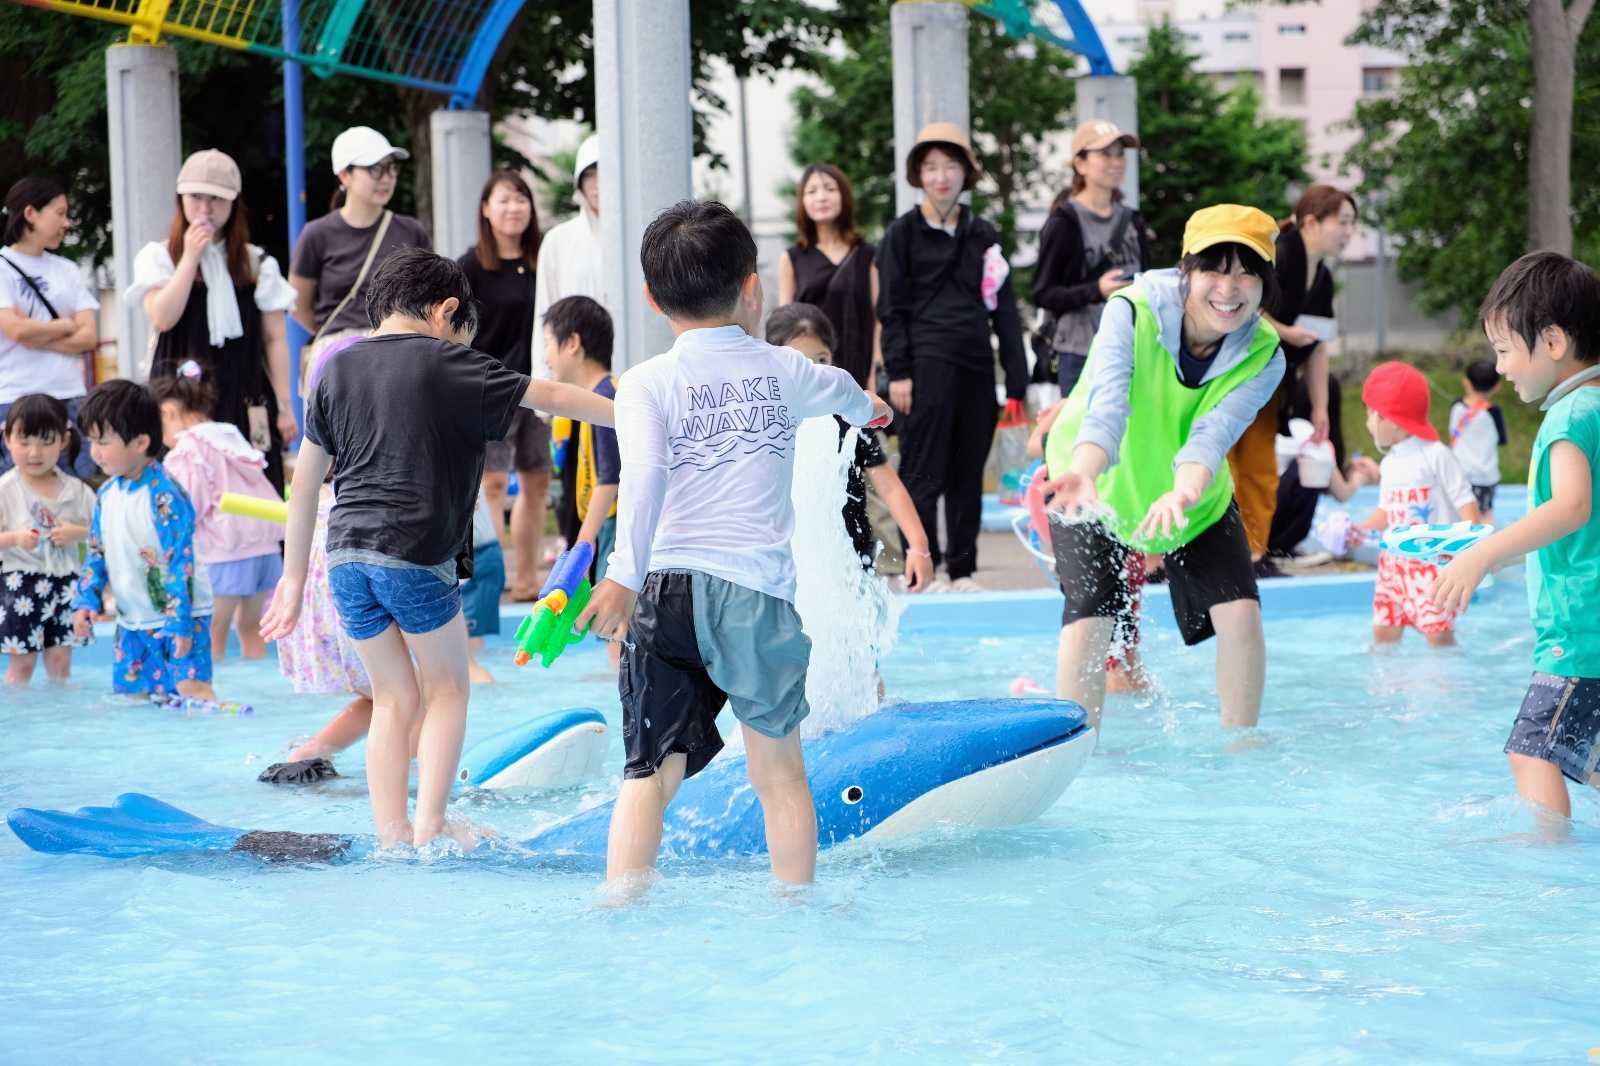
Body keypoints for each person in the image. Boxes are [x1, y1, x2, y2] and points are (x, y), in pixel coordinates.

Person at [575, 200, 892, 892]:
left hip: (668, 590)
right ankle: (794, 906)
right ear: (753, 286)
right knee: (780, 776)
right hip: (754, 596)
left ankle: (620, 904)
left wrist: (623, 576)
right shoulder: (785, 370)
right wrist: (872, 410)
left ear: (654, 299)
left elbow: (645, 477)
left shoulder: (645, 384)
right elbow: (842, 388)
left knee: (647, 774)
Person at [259, 248, 615, 850]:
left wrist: (293, 579)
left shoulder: (336, 368)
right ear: (447, 310)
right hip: (413, 550)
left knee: (393, 698)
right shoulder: (449, 361)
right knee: (448, 688)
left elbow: (304, 482)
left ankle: (391, 835)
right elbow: (551, 397)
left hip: (343, 556)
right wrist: (636, 412)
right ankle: (431, 824)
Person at [1043, 205, 1286, 731]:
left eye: (1248, 272)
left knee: (1241, 613)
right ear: (1186, 271)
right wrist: (1085, 472)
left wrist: (1183, 493)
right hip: (1090, 479)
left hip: (1189, 492)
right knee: (1091, 618)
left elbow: (1211, 436)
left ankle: (1242, 751)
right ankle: (1077, 758)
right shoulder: (1132, 310)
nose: (1230, 287)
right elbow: (1108, 407)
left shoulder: (1265, 354)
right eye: (1215, 269)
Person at [1432, 251, 1600, 821]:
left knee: (1533, 754)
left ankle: (1546, 871)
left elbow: (1571, 506)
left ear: (1552, 341)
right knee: (1588, 757)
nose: (1500, 368)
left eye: (1505, 350)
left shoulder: (1570, 415)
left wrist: (1483, 553)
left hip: (1578, 629)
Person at [877, 122, 1028, 592]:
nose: (942, 177)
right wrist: (898, 371)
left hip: (977, 366)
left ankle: (961, 571)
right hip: (924, 366)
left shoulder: (983, 233)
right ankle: (924, 569)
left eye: (951, 166)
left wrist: (1018, 382)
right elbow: (891, 307)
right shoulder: (901, 234)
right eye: (931, 167)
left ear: (966, 173)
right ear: (918, 175)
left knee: (967, 473)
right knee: (924, 470)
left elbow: (1004, 309)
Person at [129, 150, 298, 493]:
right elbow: (162, 316)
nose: (205, 209)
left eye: (216, 199)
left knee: (251, 486)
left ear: (233, 203)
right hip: (179, 393)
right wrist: (190, 258)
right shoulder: (159, 256)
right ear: (181, 199)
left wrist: (284, 405)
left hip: (243, 388)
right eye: (195, 197)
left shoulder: (256, 262)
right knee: (181, 486)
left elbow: (274, 339)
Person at [764, 302, 931, 591]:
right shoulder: (768, 422)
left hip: (851, 562)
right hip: (784, 566)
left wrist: (919, 546)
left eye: (822, 360)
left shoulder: (849, 422)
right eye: (802, 364)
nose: (815, 373)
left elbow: (890, 486)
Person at [71, 380, 217, 701]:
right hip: (132, 620)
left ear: (140, 442)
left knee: (191, 690)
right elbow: (96, 553)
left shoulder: (164, 495)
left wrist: (179, 622)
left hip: (182, 616)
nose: (94, 451)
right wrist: (86, 600)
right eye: (91, 440)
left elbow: (181, 560)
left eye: (104, 441)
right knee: (133, 697)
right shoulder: (107, 494)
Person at [1249, 186, 1359, 570]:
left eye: (1352, 224)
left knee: (1308, 442)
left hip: (1278, 379)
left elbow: (1319, 345)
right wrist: (1286, 332)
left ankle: (1275, 543)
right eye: (1342, 222)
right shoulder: (1278, 255)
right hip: (1242, 378)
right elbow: (1243, 311)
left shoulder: (1322, 277)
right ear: (1311, 222)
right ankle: (1251, 551)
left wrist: (1320, 408)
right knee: (1249, 466)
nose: (1349, 232)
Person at [153, 363, 284, 661]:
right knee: (251, 630)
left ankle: (212, 698)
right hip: (265, 550)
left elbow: (188, 509)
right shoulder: (230, 436)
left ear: (168, 414)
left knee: (211, 634)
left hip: (224, 554)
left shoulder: (188, 450)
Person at [522, 134, 604, 597]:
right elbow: (544, 313)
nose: (600, 186)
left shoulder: (642, 232)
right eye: (592, 177)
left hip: (627, 378)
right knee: (577, 484)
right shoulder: (560, 240)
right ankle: (575, 592)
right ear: (580, 183)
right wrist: (543, 384)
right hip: (573, 381)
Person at [288, 126, 430, 392]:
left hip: (400, 355)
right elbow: (297, 304)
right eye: (374, 169)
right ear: (345, 174)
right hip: (338, 357)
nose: (386, 178)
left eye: (390, 168)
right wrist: (341, 334)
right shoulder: (317, 234)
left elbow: (429, 298)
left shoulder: (411, 231)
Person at [1349, 361, 1480, 647]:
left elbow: (1466, 505)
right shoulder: (1390, 462)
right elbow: (1387, 512)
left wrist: (1473, 556)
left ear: (1392, 419)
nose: (1368, 420)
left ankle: (1445, 689)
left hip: (1430, 568)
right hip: (1392, 567)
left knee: (1439, 639)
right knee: (1383, 636)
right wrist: (1357, 530)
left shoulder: (1435, 456)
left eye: (1372, 413)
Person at [1031, 120, 1152, 399]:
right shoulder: (1065, 222)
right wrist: (1096, 290)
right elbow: (1043, 293)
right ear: (1080, 164)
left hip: (1130, 349)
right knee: (1080, 439)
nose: (1116, 162)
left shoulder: (1132, 220)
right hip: (1080, 353)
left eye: (1120, 153)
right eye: (1105, 154)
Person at [458, 169, 541, 562]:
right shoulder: (469, 268)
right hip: (488, 389)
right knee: (491, 483)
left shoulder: (543, 259)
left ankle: (527, 576)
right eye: (504, 200)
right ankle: (497, 575)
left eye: (521, 199)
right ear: (486, 210)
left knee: (537, 480)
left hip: (540, 386)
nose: (514, 208)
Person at [0, 176, 99, 480]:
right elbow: (15, 331)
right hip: (15, 397)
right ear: (31, 213)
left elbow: (88, 337)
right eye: (59, 213)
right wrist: (66, 325)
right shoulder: (2, 267)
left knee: (75, 491)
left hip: (68, 396)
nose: (66, 223)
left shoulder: (67, 270)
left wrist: (34, 333)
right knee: (16, 498)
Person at [0, 394, 93, 683]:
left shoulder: (76, 490)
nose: (34, 452)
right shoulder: (6, 489)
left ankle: (61, 719)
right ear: (7, 439)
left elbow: (104, 533)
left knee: (60, 662)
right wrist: (15, 538)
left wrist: (76, 533)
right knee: (22, 664)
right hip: (21, 584)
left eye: (45, 441)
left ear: (64, 441)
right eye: (24, 442)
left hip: (66, 584)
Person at [778, 163, 881, 391]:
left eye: (829, 189)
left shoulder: (868, 255)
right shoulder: (792, 258)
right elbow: (783, 325)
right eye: (812, 191)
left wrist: (877, 369)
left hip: (860, 368)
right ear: (802, 202)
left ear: (843, 196)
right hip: (811, 373)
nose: (822, 197)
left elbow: (878, 317)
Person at [1449, 358, 1507, 524]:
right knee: (1486, 512)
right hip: (1485, 476)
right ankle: (1488, 545)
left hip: (1460, 473)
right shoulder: (1494, 412)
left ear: (1466, 383)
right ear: (1497, 386)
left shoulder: (1456, 407)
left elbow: (1452, 434)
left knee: (1461, 514)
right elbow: (1501, 440)